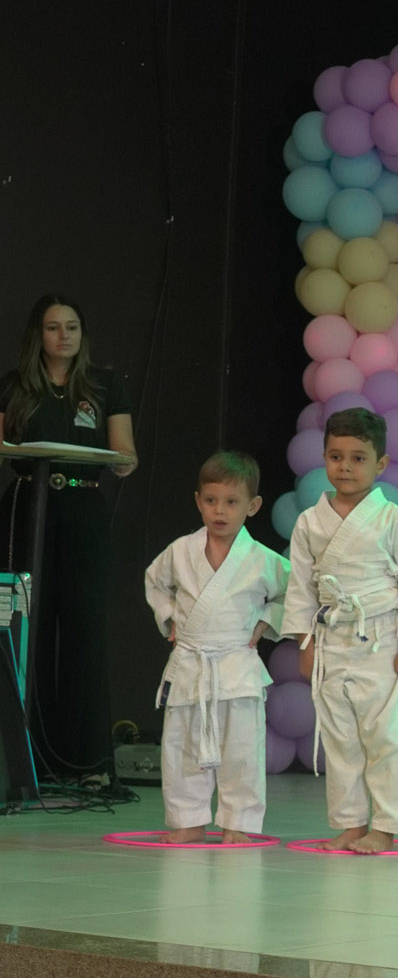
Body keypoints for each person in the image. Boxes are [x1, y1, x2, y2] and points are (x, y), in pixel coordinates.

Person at [1, 293, 137, 784]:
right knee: (27, 628)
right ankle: (28, 761)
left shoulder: (103, 385)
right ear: (37, 335)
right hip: (28, 507)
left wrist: (119, 461)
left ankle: (87, 763)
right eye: (54, 327)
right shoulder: (15, 386)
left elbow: (126, 455)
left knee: (83, 631)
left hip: (82, 509)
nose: (64, 336)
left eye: (72, 327)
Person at [283, 410, 398, 854]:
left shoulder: (392, 519)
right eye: (335, 456)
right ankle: (350, 823)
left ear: (380, 464)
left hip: (381, 636)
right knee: (339, 737)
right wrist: (304, 644)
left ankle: (385, 826)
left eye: (358, 458)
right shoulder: (310, 521)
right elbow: (300, 587)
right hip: (331, 636)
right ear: (323, 458)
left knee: (384, 735)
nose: (345, 467)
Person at [142, 452, 289, 843]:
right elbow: (154, 583)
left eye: (231, 502)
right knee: (182, 747)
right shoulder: (180, 551)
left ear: (252, 506)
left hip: (236, 664)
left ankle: (238, 823)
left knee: (242, 750)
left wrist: (267, 621)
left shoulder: (264, 560)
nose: (219, 510)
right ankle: (187, 820)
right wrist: (169, 616)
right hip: (191, 661)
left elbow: (292, 595)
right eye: (211, 500)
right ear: (198, 501)